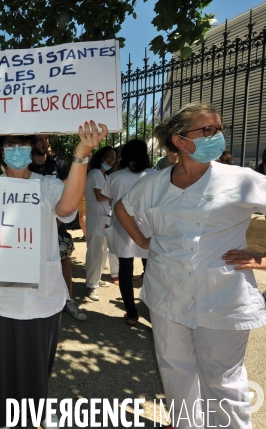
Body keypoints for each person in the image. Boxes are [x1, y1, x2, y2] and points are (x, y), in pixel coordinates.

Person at [115, 102, 266, 429]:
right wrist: (143, 242)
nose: (217, 136)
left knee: (223, 381)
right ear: (180, 141)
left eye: (219, 129)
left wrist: (261, 259)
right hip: (168, 294)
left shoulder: (241, 180)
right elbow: (122, 209)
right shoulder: (152, 184)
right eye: (207, 129)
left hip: (222, 298)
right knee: (175, 370)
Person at [0, 121, 108, 429]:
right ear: (0, 153)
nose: (17, 152)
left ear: (32, 149)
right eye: (10, 147)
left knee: (38, 360)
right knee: (1, 362)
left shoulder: (47, 184)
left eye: (22, 145)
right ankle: (2, 417)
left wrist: (82, 155)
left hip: (42, 292)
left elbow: (67, 206)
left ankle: (36, 409)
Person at [28, 134, 86, 321]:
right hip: (33, 226)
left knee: (63, 260)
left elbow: (68, 191)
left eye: (46, 139)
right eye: (40, 139)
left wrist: (58, 220)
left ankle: (69, 300)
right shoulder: (25, 166)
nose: (45, 142)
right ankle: (39, 300)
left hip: (58, 223)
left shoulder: (58, 163)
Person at [101, 139, 156, 326]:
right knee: (152, 270)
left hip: (123, 229)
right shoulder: (156, 175)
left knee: (125, 271)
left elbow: (110, 202)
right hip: (150, 230)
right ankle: (154, 311)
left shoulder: (114, 177)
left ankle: (132, 313)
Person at [85, 146, 119, 301]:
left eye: (114, 157)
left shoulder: (104, 176)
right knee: (95, 253)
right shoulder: (96, 174)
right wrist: (115, 193)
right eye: (110, 156)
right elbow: (100, 196)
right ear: (101, 157)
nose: (113, 160)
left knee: (103, 251)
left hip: (105, 218)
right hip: (97, 219)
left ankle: (97, 280)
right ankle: (92, 286)